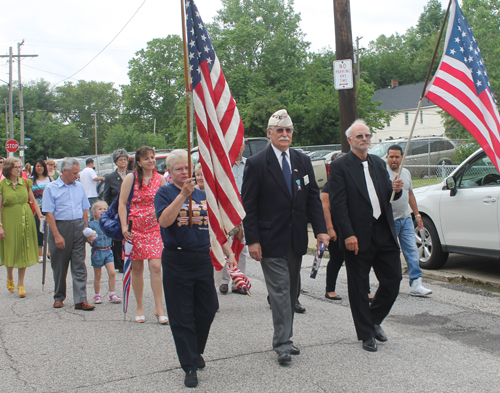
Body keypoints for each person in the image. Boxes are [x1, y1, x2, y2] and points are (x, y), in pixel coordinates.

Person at [241, 109, 329, 365]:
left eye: (288, 130)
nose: (284, 134)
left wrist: (321, 229)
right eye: (279, 130)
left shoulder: (302, 160)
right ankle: (283, 343)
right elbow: (249, 205)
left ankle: (285, 336)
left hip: (296, 239)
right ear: (269, 134)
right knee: (279, 289)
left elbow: (312, 197)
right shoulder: (257, 163)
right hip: (269, 240)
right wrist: (253, 240)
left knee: (291, 291)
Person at [154, 149, 236, 388]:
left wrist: (229, 254)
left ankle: (195, 349)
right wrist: (183, 196)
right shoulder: (165, 192)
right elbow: (164, 221)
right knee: (181, 316)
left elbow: (216, 230)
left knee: (208, 308)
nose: (184, 172)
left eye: (187, 168)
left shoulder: (202, 195)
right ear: (169, 172)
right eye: (179, 169)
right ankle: (189, 365)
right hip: (176, 259)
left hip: (201, 259)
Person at [329, 119, 403, 352]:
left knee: (393, 280)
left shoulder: (379, 164)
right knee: (359, 287)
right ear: (350, 140)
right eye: (359, 136)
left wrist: (397, 191)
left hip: (384, 232)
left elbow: (387, 199)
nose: (364, 139)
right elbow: (338, 204)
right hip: (357, 237)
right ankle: (366, 334)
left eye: (367, 136)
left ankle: (373, 319)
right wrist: (347, 234)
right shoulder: (341, 166)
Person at [119, 146, 168, 324]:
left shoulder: (161, 179)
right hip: (135, 230)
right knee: (137, 269)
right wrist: (124, 226)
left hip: (154, 229)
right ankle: (139, 307)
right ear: (138, 162)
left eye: (153, 157)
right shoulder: (131, 178)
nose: (151, 160)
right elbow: (122, 203)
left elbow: (166, 202)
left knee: (156, 267)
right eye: (146, 158)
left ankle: (159, 307)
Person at [42, 158, 95, 311]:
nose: (76, 176)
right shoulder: (51, 188)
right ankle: (59, 296)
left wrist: (86, 230)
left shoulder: (79, 187)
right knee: (59, 264)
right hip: (60, 226)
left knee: (79, 264)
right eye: (74, 173)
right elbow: (49, 214)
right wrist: (57, 235)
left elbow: (84, 209)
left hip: (78, 226)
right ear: (64, 171)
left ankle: (81, 299)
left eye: (77, 173)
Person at [386, 145, 432, 296]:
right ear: (387, 157)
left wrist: (417, 215)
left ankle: (416, 283)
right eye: (391, 156)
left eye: (397, 157)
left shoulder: (405, 172)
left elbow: (410, 194)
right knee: (391, 253)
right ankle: (390, 283)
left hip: (405, 218)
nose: (394, 160)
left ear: (402, 158)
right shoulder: (382, 173)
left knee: (412, 250)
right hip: (388, 221)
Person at [0, 157, 43, 298]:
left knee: (23, 250)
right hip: (9, 218)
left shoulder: (25, 182)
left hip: (26, 218)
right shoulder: (2, 185)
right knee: (11, 249)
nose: (19, 169)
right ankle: (9, 275)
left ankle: (21, 284)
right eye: (16, 167)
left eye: (20, 167)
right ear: (8, 169)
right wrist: (0, 226)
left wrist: (40, 215)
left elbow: (33, 200)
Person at [219, 140, 249, 295]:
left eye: (241, 145)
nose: (238, 147)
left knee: (242, 247)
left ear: (244, 147)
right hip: (228, 210)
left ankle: (240, 282)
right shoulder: (225, 165)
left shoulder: (250, 165)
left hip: (245, 210)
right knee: (228, 245)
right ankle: (225, 281)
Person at [103, 149, 131, 273]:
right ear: (116, 162)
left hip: (131, 210)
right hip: (117, 211)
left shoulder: (132, 174)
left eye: (125, 159)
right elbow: (107, 196)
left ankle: (131, 259)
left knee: (131, 234)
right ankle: (120, 263)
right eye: (120, 159)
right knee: (118, 237)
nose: (123, 161)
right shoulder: (110, 177)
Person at [88, 201, 121, 304]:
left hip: (108, 250)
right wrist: (91, 239)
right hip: (97, 251)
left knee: (112, 273)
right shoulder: (91, 224)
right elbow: (88, 239)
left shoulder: (109, 222)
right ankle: (97, 295)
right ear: (94, 212)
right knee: (98, 275)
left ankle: (112, 294)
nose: (102, 211)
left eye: (105, 209)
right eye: (99, 209)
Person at [320, 182, 344, 301]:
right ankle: (330, 289)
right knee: (336, 258)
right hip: (335, 226)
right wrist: (329, 229)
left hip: (351, 226)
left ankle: (364, 290)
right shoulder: (330, 185)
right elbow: (325, 207)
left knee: (358, 260)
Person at [31, 159, 53, 262]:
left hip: (49, 207)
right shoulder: (31, 180)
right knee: (39, 230)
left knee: (51, 229)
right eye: (37, 166)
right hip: (37, 207)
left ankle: (50, 251)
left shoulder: (50, 179)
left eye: (41, 166)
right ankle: (40, 254)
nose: (39, 168)